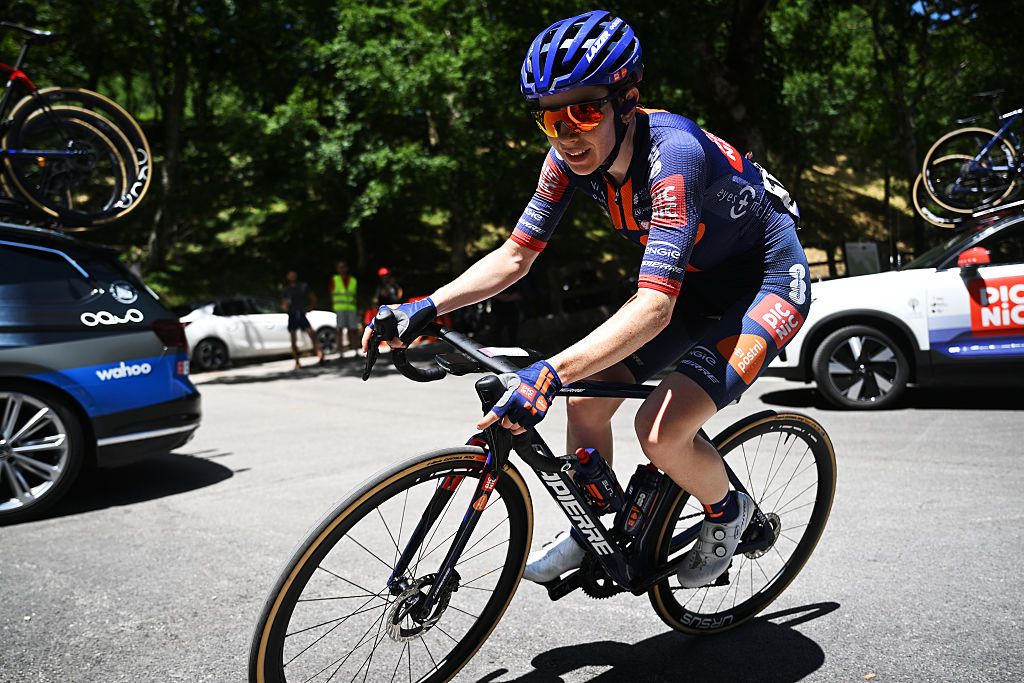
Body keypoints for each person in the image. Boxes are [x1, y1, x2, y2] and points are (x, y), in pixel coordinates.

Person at [363, 10, 810, 590]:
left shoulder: (672, 156)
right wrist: (427, 305)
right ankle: (589, 528)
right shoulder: (567, 162)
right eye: (551, 119)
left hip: (766, 282)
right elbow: (516, 255)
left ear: (626, 101)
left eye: (584, 111)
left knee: (659, 429)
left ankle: (729, 515)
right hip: (697, 283)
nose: (567, 133)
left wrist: (548, 371)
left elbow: (654, 307)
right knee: (585, 403)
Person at [281, 270, 326, 369]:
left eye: (294, 275)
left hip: (301, 314)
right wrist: (286, 308)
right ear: (288, 277)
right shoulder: (286, 290)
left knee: (312, 334)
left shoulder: (303, 287)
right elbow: (284, 304)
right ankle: (297, 361)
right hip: (292, 315)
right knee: (293, 339)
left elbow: (312, 297)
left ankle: (320, 355)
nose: (292, 277)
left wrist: (310, 307)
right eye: (290, 275)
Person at [330, 260, 360, 357]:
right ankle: (340, 352)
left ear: (347, 268)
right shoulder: (335, 279)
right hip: (340, 308)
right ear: (337, 269)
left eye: (344, 267)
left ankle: (356, 350)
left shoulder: (353, 280)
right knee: (340, 329)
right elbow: (331, 293)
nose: (342, 269)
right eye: (340, 267)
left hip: (351, 308)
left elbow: (355, 296)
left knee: (353, 329)